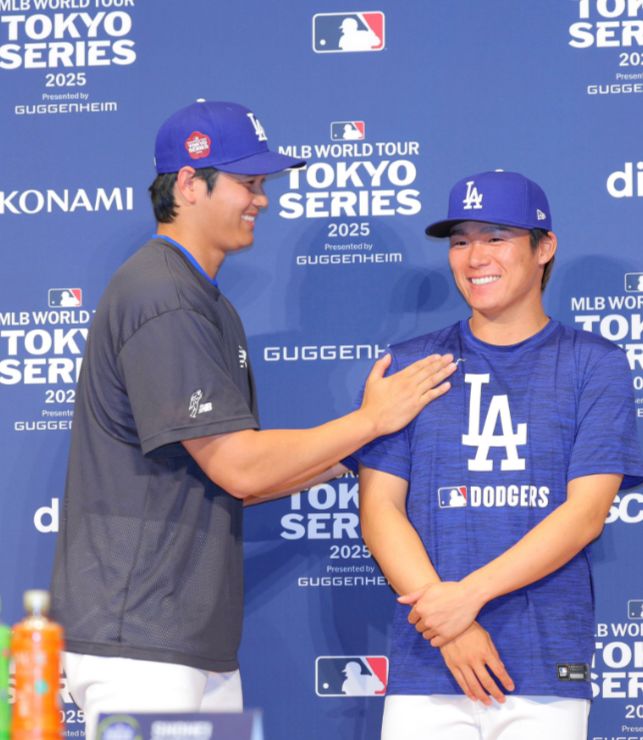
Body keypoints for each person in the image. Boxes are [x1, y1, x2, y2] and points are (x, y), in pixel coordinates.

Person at [49, 100, 456, 740]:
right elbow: (240, 468)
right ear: (188, 184)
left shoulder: (203, 300)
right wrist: (372, 421)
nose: (262, 200)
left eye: (263, 185)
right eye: (248, 183)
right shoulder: (164, 297)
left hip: (183, 637)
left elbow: (252, 479)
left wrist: (361, 453)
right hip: (140, 640)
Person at [352, 170, 643, 740]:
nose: (473, 256)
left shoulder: (595, 363)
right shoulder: (413, 364)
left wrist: (470, 597)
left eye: (495, 236)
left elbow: (584, 515)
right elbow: (379, 508)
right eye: (460, 240)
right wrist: (453, 627)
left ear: (544, 248)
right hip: (428, 663)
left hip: (544, 669)